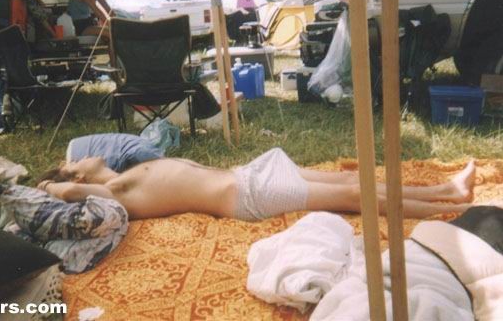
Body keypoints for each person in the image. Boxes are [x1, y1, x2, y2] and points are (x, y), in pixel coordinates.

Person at [37, 147, 477, 221]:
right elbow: (67, 193)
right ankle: (454, 207)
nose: (85, 154)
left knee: (348, 178)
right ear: (79, 175)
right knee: (351, 196)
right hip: (246, 195)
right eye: (75, 161)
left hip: (247, 174)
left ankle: (444, 190)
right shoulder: (114, 191)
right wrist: (46, 186)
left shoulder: (126, 176)